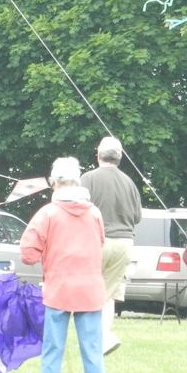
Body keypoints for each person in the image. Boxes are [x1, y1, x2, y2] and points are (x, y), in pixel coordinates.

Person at [20, 156, 107, 373]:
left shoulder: (48, 213)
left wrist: (45, 254)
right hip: (90, 291)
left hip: (58, 290)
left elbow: (27, 253)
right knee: (93, 354)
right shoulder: (94, 213)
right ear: (77, 180)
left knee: (52, 353)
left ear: (55, 182)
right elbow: (101, 243)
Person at [80, 135, 142, 355]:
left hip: (96, 241)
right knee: (109, 294)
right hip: (124, 243)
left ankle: (95, 338)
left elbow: (77, 210)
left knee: (89, 290)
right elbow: (137, 217)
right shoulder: (130, 182)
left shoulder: (87, 179)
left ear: (97, 155)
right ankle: (105, 337)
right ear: (120, 157)